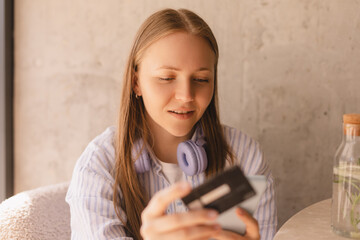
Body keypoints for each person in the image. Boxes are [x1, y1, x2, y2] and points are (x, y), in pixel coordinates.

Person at [65, 8, 277, 240]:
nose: (186, 95)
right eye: (166, 78)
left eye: (201, 79)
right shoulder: (99, 165)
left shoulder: (243, 155)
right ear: (136, 83)